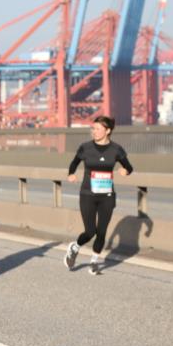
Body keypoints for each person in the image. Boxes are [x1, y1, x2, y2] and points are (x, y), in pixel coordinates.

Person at [62, 116, 134, 275]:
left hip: (107, 196)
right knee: (90, 231)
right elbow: (74, 163)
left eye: (98, 129)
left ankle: (94, 262)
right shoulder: (85, 148)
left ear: (108, 131)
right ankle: (75, 247)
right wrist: (71, 174)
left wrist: (125, 171)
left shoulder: (116, 149)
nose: (94, 132)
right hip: (88, 194)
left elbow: (129, 167)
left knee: (101, 231)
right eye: (93, 129)